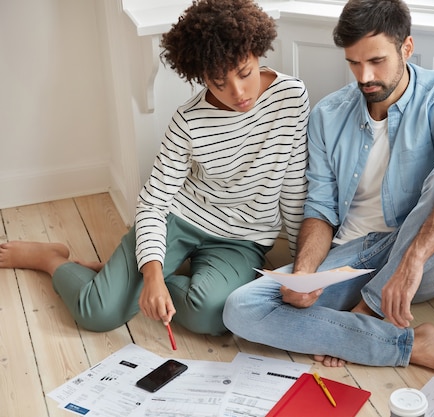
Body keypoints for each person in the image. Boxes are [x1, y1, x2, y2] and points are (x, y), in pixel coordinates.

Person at [223, 0, 434, 389]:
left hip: (421, 259)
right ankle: (412, 343)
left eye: (376, 61)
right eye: (354, 63)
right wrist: (304, 273)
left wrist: (412, 261)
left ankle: (368, 313)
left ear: (406, 48)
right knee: (241, 309)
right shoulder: (328, 114)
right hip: (353, 254)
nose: (365, 76)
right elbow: (319, 209)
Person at [0, 0, 309, 336]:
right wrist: (152, 275)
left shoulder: (291, 97)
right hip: (180, 219)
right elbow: (153, 203)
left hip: (241, 239)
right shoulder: (188, 121)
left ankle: (125, 280)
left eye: (244, 73)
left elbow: (294, 189)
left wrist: (300, 271)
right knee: (98, 313)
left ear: (257, 53)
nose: (237, 92)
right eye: (219, 82)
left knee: (214, 317)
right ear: (200, 75)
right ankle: (51, 260)